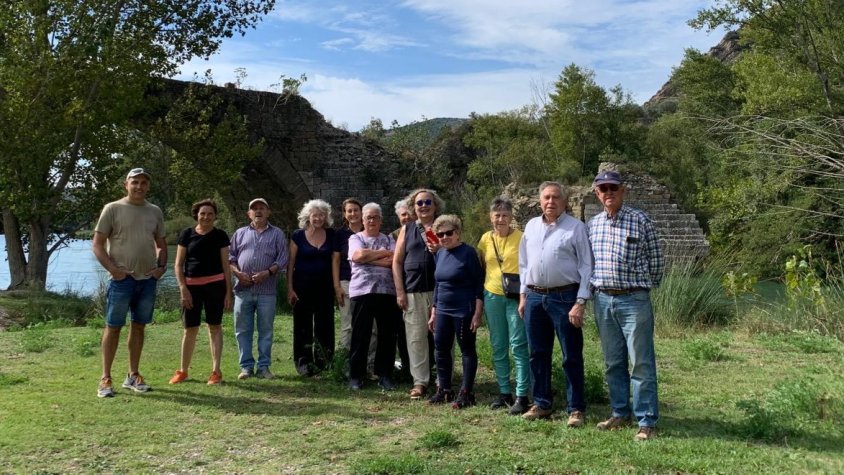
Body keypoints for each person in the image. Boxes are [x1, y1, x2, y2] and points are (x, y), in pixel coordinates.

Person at [587, 170, 664, 441]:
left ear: (623, 190)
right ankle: (620, 413)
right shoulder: (593, 224)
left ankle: (646, 421)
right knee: (612, 362)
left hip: (634, 299)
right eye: (603, 188)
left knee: (641, 362)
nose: (608, 192)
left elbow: (656, 259)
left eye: (613, 188)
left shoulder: (640, 220)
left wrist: (643, 288)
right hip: (603, 299)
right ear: (596, 193)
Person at [518, 181, 593, 425]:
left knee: (570, 354)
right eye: (546, 197)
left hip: (565, 297)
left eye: (556, 197)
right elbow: (524, 264)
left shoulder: (576, 228)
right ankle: (541, 403)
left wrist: (580, 300)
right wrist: (523, 295)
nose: (551, 202)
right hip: (535, 297)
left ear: (565, 201)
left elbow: (586, 266)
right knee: (537, 353)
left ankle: (576, 409)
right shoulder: (530, 226)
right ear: (540, 201)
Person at [92, 167, 167, 397]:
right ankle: (105, 379)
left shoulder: (155, 211)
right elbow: (97, 244)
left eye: (144, 182)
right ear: (126, 184)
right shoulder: (112, 208)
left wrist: (161, 268)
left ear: (148, 186)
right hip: (122, 281)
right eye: (135, 182)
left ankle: (133, 375)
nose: (139, 186)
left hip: (147, 281)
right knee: (113, 327)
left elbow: (162, 243)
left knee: (139, 326)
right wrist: (113, 270)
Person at [169, 199, 233, 385]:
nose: (206, 217)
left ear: (215, 217)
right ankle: (183, 371)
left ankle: (216, 371)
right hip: (191, 289)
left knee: (214, 327)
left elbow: (226, 266)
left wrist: (229, 293)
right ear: (196, 215)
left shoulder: (220, 235)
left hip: (215, 287)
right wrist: (183, 288)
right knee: (190, 329)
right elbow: (178, 265)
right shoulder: (186, 234)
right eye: (202, 213)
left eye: (210, 214)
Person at [477, 197, 531, 414]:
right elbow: (481, 266)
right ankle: (503, 392)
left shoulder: (522, 238)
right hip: (492, 295)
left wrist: (525, 296)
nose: (501, 219)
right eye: (497, 215)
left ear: (511, 218)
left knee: (518, 345)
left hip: (516, 297)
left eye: (505, 215)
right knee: (498, 345)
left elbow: (529, 267)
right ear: (491, 217)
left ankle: (522, 394)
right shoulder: (484, 239)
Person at [427, 215, 484, 409]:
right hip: (442, 309)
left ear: (457, 233)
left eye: (448, 233)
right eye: (440, 234)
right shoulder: (440, 253)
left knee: (467, 350)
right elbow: (438, 283)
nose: (444, 237)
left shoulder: (468, 253)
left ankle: (466, 392)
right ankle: (444, 389)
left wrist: (477, 312)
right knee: (441, 349)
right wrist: (434, 310)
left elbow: (478, 283)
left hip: (463, 310)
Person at [229, 198, 289, 380]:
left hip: (267, 291)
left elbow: (283, 259)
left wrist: (268, 272)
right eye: (254, 209)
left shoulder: (277, 234)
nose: (258, 211)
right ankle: (246, 367)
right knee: (242, 330)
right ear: (249, 214)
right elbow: (230, 257)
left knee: (266, 330)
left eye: (262, 208)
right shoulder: (239, 233)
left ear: (268, 212)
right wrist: (238, 273)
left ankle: (264, 367)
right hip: (242, 290)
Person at [392, 189, 443, 400]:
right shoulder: (407, 229)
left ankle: (443, 380)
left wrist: (436, 243)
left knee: (442, 338)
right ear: (414, 207)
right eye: (419, 203)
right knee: (415, 339)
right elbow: (397, 261)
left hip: (440, 292)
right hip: (412, 291)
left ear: (435, 205)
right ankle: (420, 381)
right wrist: (400, 291)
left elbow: (448, 253)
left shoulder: (443, 226)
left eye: (427, 202)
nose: (423, 206)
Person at [346, 203, 400, 391]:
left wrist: (370, 258)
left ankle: (384, 374)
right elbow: (358, 255)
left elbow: (394, 261)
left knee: (387, 335)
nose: (371, 220)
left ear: (381, 220)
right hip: (362, 291)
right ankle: (356, 376)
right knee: (360, 334)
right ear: (362, 220)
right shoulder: (355, 238)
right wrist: (383, 254)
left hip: (386, 292)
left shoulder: (388, 238)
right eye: (368, 217)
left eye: (375, 217)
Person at [288, 199, 336, 375]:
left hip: (325, 288)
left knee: (325, 326)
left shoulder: (331, 234)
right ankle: (304, 364)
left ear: (326, 216)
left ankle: (324, 362)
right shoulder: (298, 235)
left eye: (322, 214)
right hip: (302, 288)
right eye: (315, 214)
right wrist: (289, 288)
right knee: (302, 327)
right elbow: (290, 263)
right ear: (308, 216)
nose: (318, 218)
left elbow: (335, 261)